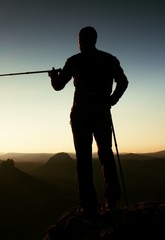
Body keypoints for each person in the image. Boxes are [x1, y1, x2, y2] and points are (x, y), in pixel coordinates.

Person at [48, 26, 128, 219]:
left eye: (80, 39)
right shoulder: (109, 60)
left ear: (82, 40)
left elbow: (58, 86)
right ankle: (112, 200)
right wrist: (111, 100)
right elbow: (123, 82)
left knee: (83, 158)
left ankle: (88, 204)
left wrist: (53, 77)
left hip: (81, 112)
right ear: (95, 39)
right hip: (101, 111)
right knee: (106, 154)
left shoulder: (74, 61)